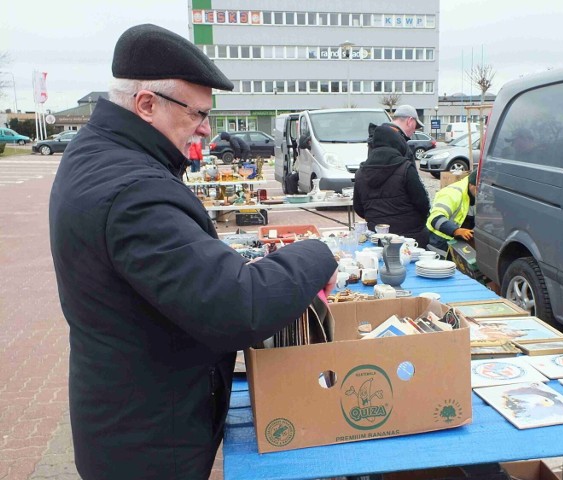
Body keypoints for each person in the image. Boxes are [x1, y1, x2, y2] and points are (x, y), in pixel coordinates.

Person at [48, 24, 337, 480]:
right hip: (150, 441)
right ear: (146, 104)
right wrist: (318, 253)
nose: (206, 127)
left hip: (133, 415)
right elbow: (241, 306)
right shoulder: (133, 190)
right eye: (198, 112)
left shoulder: (101, 152)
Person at [353, 105, 431, 247]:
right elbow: (422, 202)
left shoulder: (360, 173)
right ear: (397, 143)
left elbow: (358, 207)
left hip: (378, 238)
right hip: (411, 238)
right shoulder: (405, 167)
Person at [426, 169, 478, 253]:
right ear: (472, 184)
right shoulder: (452, 193)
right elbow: (435, 218)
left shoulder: (474, 195)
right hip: (439, 243)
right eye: (480, 189)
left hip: (458, 243)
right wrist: (456, 231)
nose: (484, 194)